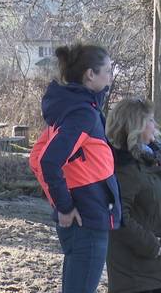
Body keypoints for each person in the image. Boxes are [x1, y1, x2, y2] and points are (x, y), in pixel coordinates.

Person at [31, 43, 121, 293]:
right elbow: (47, 161)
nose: (111, 76)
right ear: (90, 74)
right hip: (88, 219)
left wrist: (60, 204)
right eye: (108, 71)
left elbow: (36, 156)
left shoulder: (71, 108)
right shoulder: (81, 113)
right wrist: (64, 206)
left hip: (81, 218)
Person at [105, 98, 161, 293]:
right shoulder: (125, 167)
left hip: (160, 268)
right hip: (138, 274)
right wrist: (151, 245)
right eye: (150, 120)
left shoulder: (151, 161)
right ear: (135, 126)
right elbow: (117, 218)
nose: (155, 125)